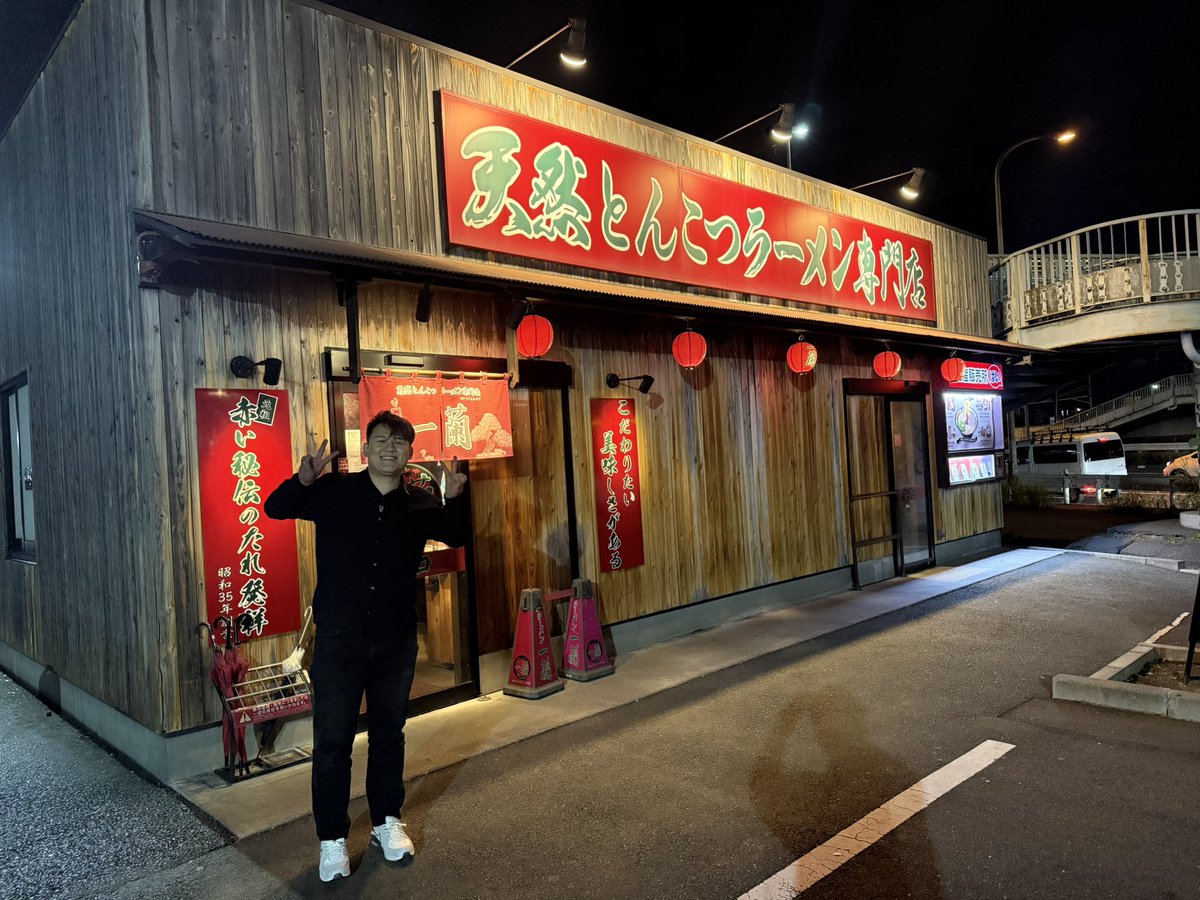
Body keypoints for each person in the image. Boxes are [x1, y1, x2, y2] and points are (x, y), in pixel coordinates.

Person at [265, 411, 468, 882]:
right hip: (339, 639)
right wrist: (302, 479)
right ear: (367, 449)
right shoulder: (334, 493)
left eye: (400, 442)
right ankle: (332, 838)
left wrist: (455, 499)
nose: (390, 448)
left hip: (396, 638)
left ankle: (385, 821)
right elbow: (275, 507)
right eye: (381, 440)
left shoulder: (419, 502)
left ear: (410, 453)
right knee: (333, 742)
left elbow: (457, 535)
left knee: (388, 734)